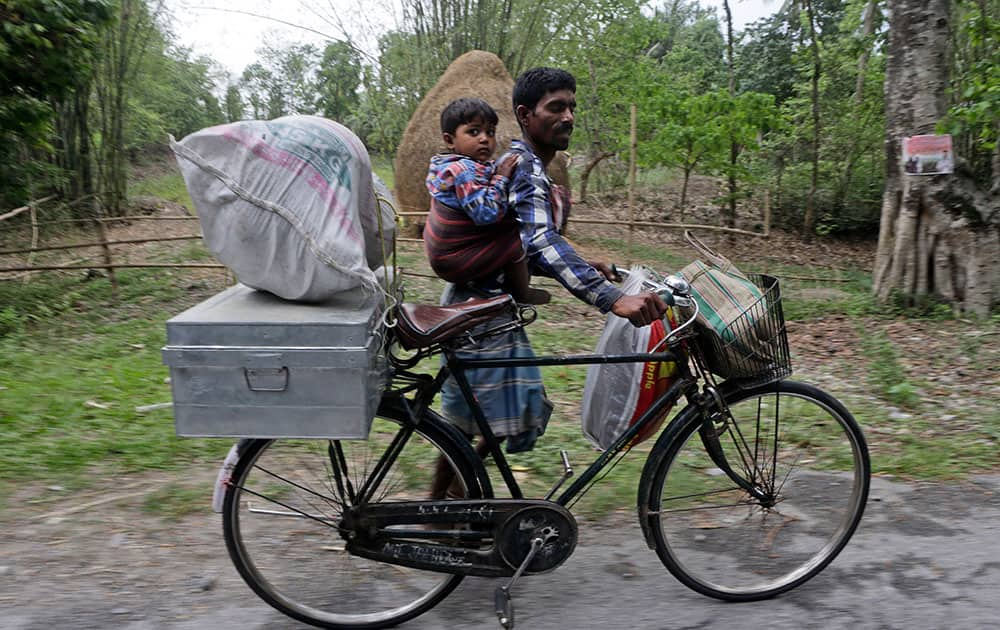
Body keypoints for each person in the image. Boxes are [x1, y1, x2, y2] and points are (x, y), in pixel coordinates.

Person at [430, 69, 666, 499]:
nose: (569, 116)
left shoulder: (527, 166)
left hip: (486, 307)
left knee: (483, 420)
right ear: (525, 114)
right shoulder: (525, 169)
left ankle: (455, 506)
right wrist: (611, 299)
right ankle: (443, 511)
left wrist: (589, 266)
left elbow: (520, 245)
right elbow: (540, 238)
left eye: (572, 106)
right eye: (556, 107)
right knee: (479, 421)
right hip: (478, 310)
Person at [424, 97, 550, 305]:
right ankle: (522, 292)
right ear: (449, 140)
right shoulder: (463, 171)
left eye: (490, 132)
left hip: (443, 255)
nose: (484, 139)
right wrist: (501, 178)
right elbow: (486, 214)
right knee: (516, 237)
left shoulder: (449, 165)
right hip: (454, 258)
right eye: (474, 132)